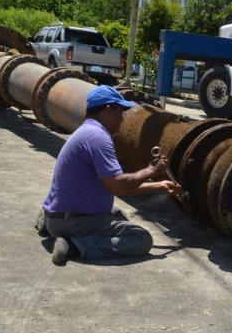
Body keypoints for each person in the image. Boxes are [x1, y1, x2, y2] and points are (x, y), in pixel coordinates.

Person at [38, 85, 180, 266]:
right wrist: (151, 170)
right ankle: (74, 245)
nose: (122, 118)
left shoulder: (87, 131)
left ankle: (49, 223)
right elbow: (118, 185)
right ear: (108, 109)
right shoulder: (98, 138)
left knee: (116, 213)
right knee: (140, 239)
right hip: (71, 221)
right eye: (120, 111)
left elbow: (119, 188)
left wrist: (159, 185)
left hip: (59, 215)